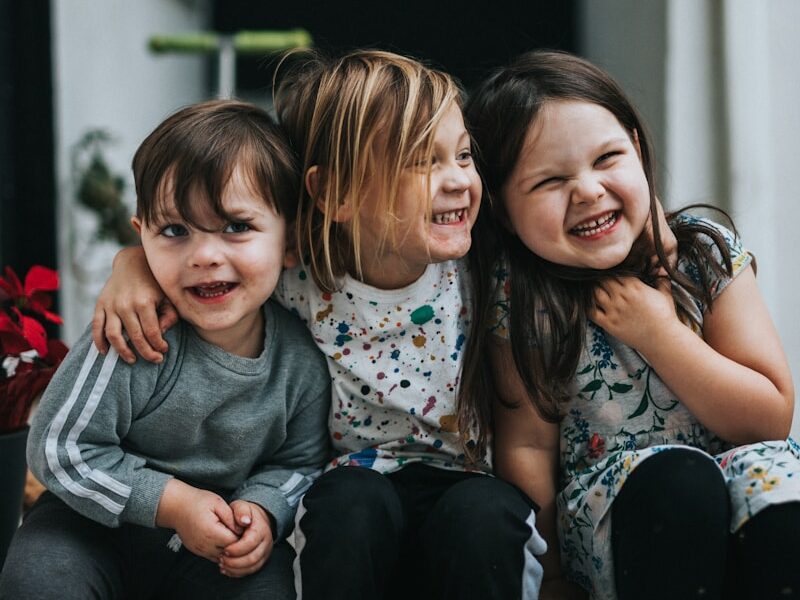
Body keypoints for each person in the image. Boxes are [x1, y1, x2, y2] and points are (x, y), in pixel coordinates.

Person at [84, 50, 551, 600]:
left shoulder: (484, 270)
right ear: (335, 194)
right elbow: (218, 259)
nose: (457, 180)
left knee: (487, 514)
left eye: (464, 155)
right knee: (347, 506)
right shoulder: (304, 276)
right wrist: (132, 264)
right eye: (422, 161)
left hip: (468, 481)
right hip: (354, 483)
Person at [461, 49, 800, 600]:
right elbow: (528, 448)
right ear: (501, 209)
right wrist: (545, 578)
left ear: (638, 152)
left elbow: (769, 419)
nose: (588, 190)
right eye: (549, 181)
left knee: (783, 492)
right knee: (680, 484)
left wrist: (660, 333)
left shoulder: (702, 257)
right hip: (619, 510)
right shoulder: (520, 297)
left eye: (607, 158)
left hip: (737, 476)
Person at [0, 99, 332, 600]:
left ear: (290, 241)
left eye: (236, 227)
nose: (204, 256)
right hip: (91, 527)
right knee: (39, 576)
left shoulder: (300, 363)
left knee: (265, 589)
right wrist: (173, 504)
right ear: (142, 237)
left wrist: (264, 509)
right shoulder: (132, 333)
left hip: (214, 541)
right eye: (174, 231)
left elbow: (301, 462)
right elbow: (58, 448)